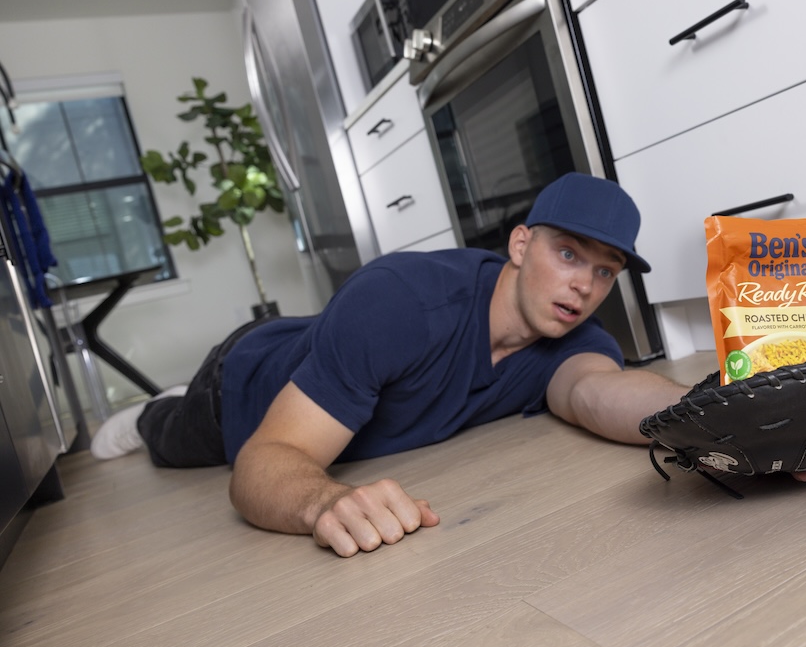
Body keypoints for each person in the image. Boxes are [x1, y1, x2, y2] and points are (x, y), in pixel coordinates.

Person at [91, 173, 696, 557]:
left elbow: (596, 393)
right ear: (520, 245)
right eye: (567, 254)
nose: (584, 285)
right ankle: (153, 410)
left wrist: (717, 407)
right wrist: (324, 502)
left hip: (328, 349)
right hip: (240, 389)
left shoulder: (572, 336)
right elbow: (264, 460)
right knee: (171, 438)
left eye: (604, 270)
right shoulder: (400, 302)